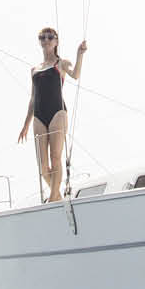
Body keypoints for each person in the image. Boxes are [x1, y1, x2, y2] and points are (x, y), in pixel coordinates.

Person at [18, 27, 87, 201]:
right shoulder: (34, 69)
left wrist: (80, 54)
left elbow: (76, 75)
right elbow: (33, 98)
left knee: (55, 158)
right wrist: (25, 125)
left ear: (56, 41)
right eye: (42, 37)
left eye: (50, 37)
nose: (46, 40)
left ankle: (53, 197)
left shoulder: (61, 63)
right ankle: (57, 196)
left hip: (58, 112)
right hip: (39, 115)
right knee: (43, 167)